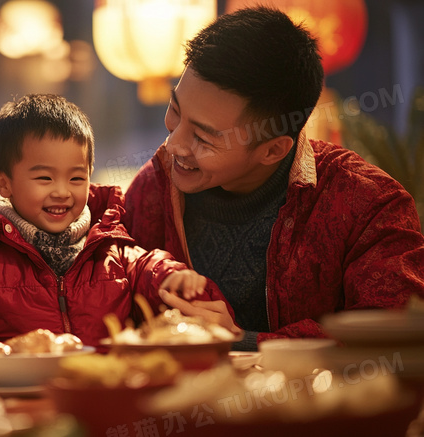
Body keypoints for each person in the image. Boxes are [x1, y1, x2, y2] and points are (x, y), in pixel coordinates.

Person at [122, 6, 424, 350]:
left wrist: (243, 341)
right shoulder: (153, 189)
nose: (173, 145)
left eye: (203, 138)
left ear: (273, 150)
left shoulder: (368, 204)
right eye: (175, 110)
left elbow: (392, 333)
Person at [0, 94, 227, 350]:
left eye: (76, 178)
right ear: (4, 182)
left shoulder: (113, 251)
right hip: (14, 411)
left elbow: (153, 269)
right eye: (43, 179)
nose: (62, 192)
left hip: (99, 399)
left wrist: (178, 279)